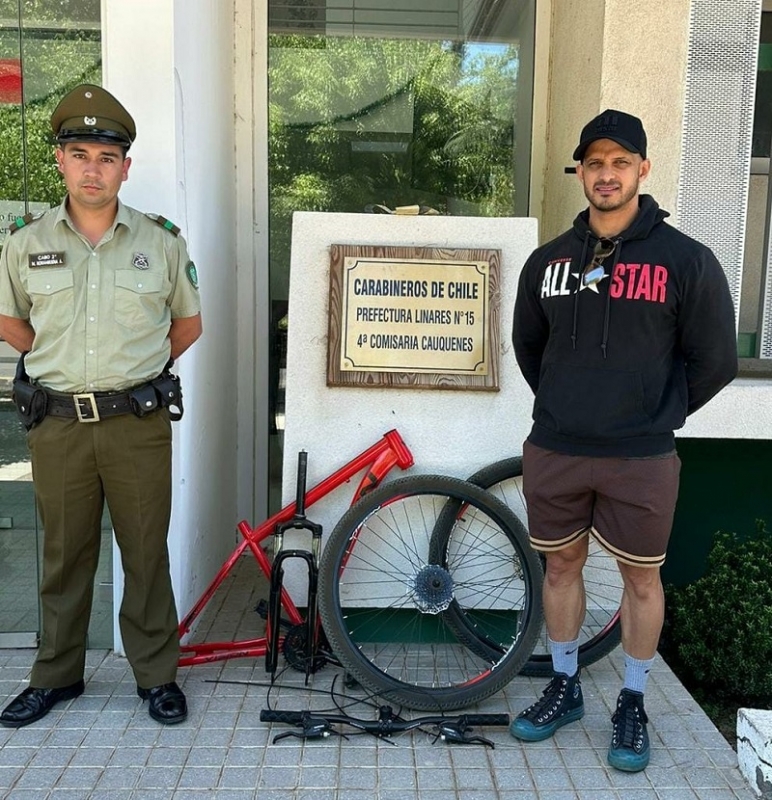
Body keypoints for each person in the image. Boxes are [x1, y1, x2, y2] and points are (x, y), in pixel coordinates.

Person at [510, 109, 737, 771]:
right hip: (556, 446)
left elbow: (715, 359)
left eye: (619, 162)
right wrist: (565, 401)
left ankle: (632, 701)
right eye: (594, 162)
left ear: (642, 169)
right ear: (580, 171)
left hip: (640, 455)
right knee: (560, 567)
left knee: (641, 580)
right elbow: (531, 347)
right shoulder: (548, 261)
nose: (605, 174)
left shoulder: (685, 261)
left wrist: (653, 411)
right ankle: (564, 685)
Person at [0, 84, 202, 727]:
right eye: (80, 152)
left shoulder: (161, 242)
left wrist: (131, 375)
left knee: (145, 551)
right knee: (64, 553)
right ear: (60, 160)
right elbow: (12, 323)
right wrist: (62, 367)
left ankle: (156, 677)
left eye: (106, 156)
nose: (93, 167)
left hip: (135, 425)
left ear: (125, 167)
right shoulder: (25, 242)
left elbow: (186, 327)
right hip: (56, 425)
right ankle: (56, 675)